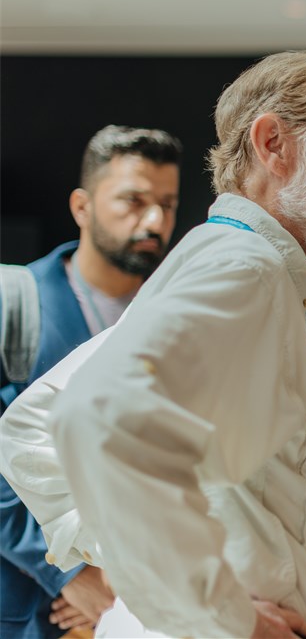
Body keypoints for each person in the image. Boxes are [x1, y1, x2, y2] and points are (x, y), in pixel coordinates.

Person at [1, 47, 306, 638]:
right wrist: (221, 615)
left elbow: (29, 428)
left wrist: (149, 578)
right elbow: (95, 419)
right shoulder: (246, 268)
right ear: (274, 144)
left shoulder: (243, 263)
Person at [0, 124, 182, 639]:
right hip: (31, 606)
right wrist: (71, 571)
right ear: (82, 207)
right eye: (133, 201)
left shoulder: (180, 317)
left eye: (167, 205)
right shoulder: (15, 302)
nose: (154, 220)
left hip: (145, 602)